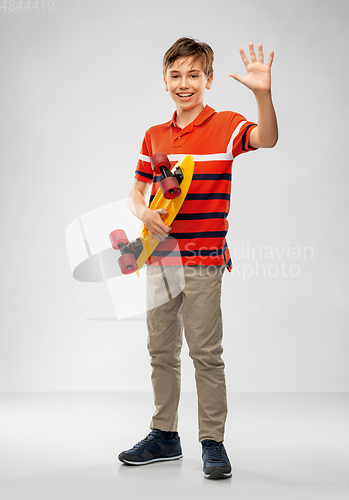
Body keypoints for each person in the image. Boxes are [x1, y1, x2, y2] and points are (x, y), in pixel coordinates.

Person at [118, 37, 278, 480]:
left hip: (205, 260)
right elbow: (135, 193)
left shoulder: (226, 125)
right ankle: (164, 436)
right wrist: (144, 211)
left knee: (206, 353)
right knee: (160, 351)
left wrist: (262, 94)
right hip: (158, 259)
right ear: (164, 81)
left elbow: (267, 138)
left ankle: (213, 442)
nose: (184, 84)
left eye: (193, 75)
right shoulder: (154, 135)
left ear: (208, 79)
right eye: (175, 75)